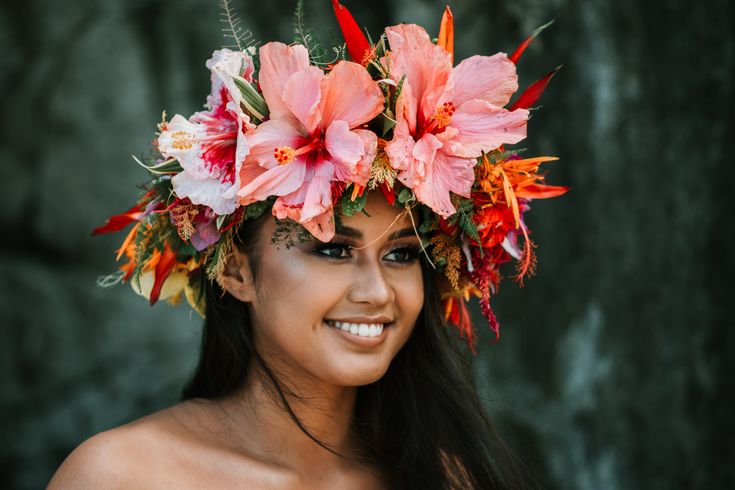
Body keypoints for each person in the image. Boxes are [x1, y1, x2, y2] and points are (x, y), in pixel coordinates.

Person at [49, 2, 564, 487]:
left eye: (402, 254)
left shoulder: (448, 477)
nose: (378, 292)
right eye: (335, 250)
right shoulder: (120, 476)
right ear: (236, 270)